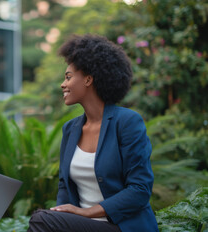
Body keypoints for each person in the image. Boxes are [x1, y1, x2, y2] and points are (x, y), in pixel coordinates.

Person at [27, 34, 159, 232]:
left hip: (122, 227)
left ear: (88, 79)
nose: (63, 84)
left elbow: (139, 190)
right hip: (83, 227)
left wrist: (86, 212)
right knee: (44, 220)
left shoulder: (127, 122)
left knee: (40, 220)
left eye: (68, 77)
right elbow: (65, 186)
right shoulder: (70, 129)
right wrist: (59, 214)